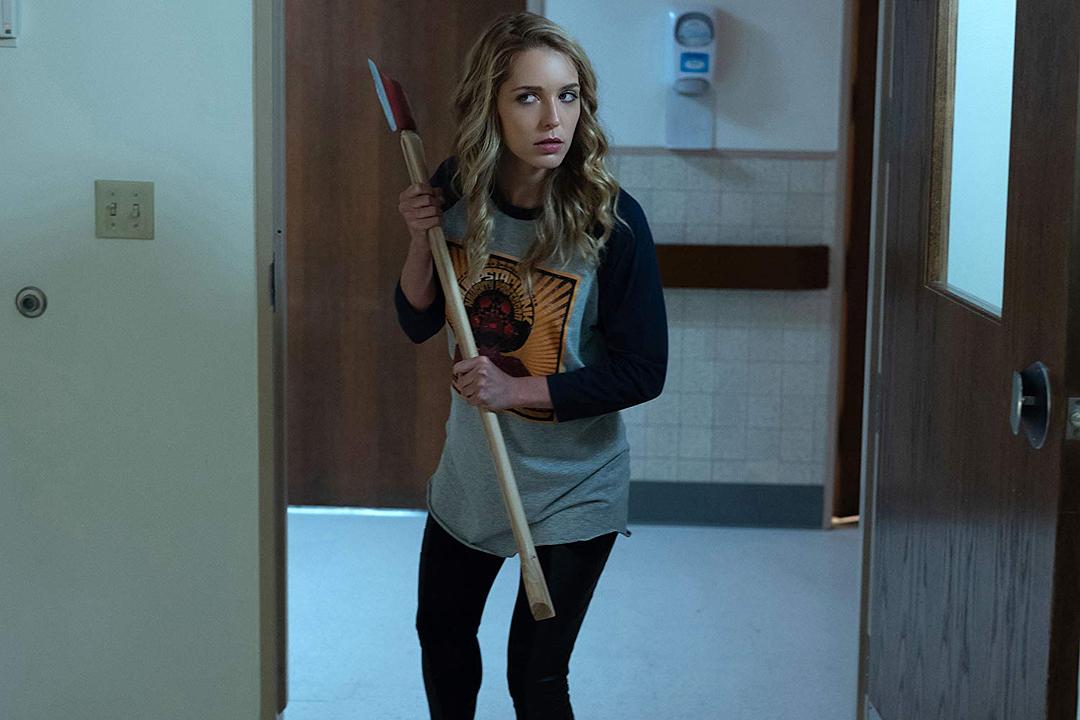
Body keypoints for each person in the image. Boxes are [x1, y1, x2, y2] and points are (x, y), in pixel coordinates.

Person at [393, 11, 667, 720]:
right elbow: (418, 320)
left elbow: (644, 371)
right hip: (474, 473)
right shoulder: (456, 191)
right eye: (528, 97)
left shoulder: (613, 222)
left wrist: (516, 389)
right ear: (491, 107)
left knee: (535, 677)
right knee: (442, 638)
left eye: (568, 95)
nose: (554, 119)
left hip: (575, 485)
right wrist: (422, 239)